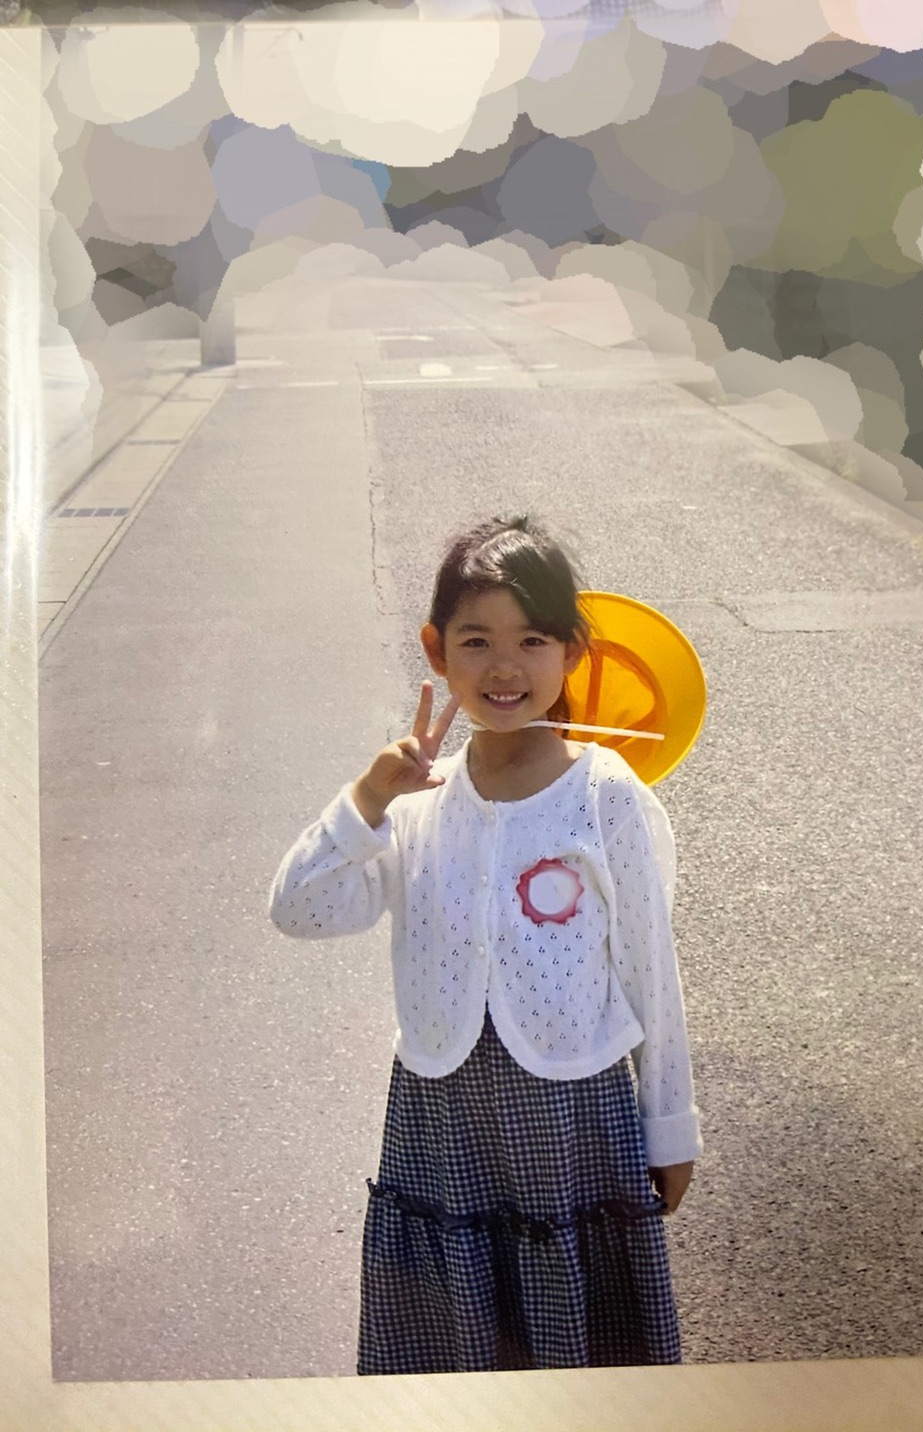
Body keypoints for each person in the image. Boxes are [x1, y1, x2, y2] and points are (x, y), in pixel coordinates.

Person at [268, 514, 702, 1375]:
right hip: (442, 1119)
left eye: (532, 640)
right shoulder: (416, 804)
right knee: (460, 1349)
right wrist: (367, 800)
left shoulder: (605, 795)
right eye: (476, 641)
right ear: (436, 652)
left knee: (574, 1352)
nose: (505, 667)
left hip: (574, 1118)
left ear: (572, 652)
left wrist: (670, 1129)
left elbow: (652, 972)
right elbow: (300, 910)